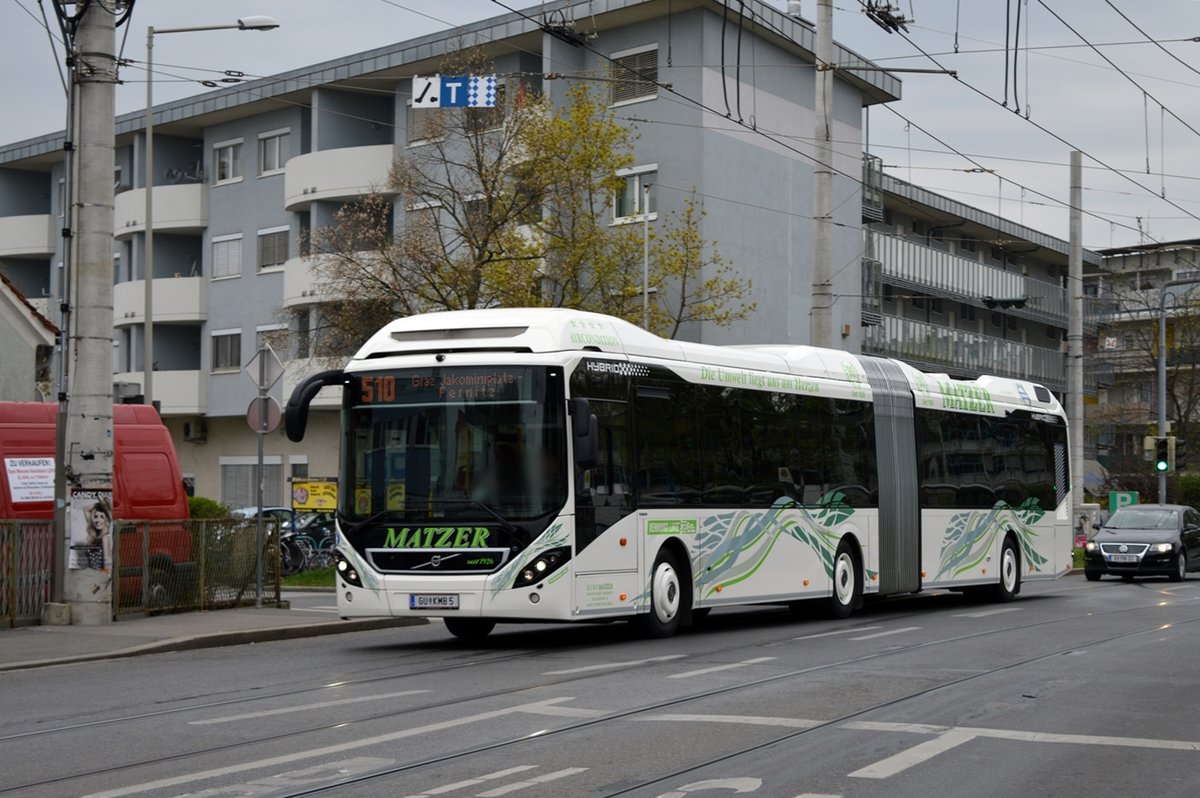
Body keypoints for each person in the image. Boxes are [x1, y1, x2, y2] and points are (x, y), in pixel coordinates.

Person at [83, 498, 111, 569]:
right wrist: (99, 505)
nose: (98, 520)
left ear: (106, 521)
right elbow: (85, 508)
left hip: (99, 574)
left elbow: (107, 564)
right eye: (95, 517)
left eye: (102, 517)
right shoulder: (96, 534)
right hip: (92, 572)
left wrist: (105, 506)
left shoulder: (105, 537)